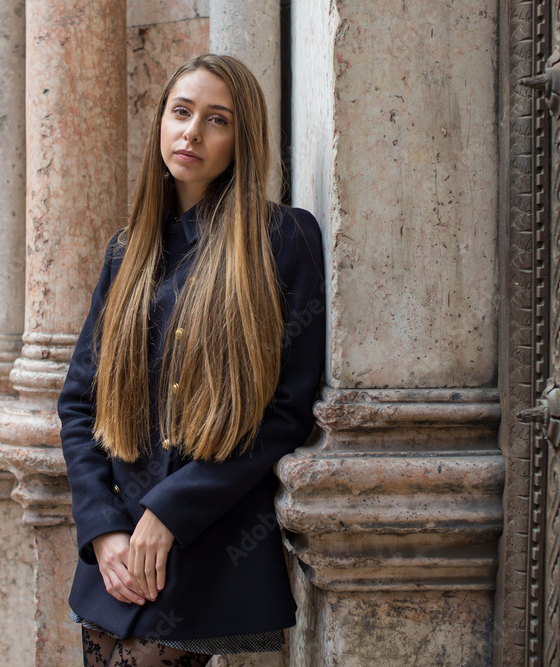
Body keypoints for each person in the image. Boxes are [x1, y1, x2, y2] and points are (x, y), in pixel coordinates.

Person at [58, 53, 325, 667]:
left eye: (217, 120)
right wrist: (103, 528)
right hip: (119, 550)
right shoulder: (128, 252)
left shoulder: (283, 239)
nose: (192, 133)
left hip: (211, 539)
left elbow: (287, 412)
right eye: (182, 112)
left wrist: (170, 513)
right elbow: (79, 402)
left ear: (243, 138)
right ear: (161, 122)